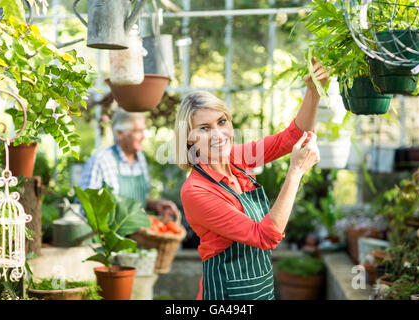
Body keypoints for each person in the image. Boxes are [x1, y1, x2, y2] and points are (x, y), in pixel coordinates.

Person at [174, 58, 329, 300]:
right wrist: (296, 171)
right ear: (189, 138)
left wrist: (314, 91)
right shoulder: (196, 191)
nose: (218, 134)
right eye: (204, 128)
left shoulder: (237, 158)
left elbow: (292, 138)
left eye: (222, 122)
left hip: (261, 292)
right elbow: (264, 236)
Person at [78, 108, 177, 219]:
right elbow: (85, 207)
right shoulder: (100, 161)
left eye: (143, 130)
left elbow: (141, 200)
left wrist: (155, 205)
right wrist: (125, 215)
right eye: (137, 131)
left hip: (140, 235)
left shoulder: (140, 158)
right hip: (110, 235)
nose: (143, 136)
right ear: (120, 134)